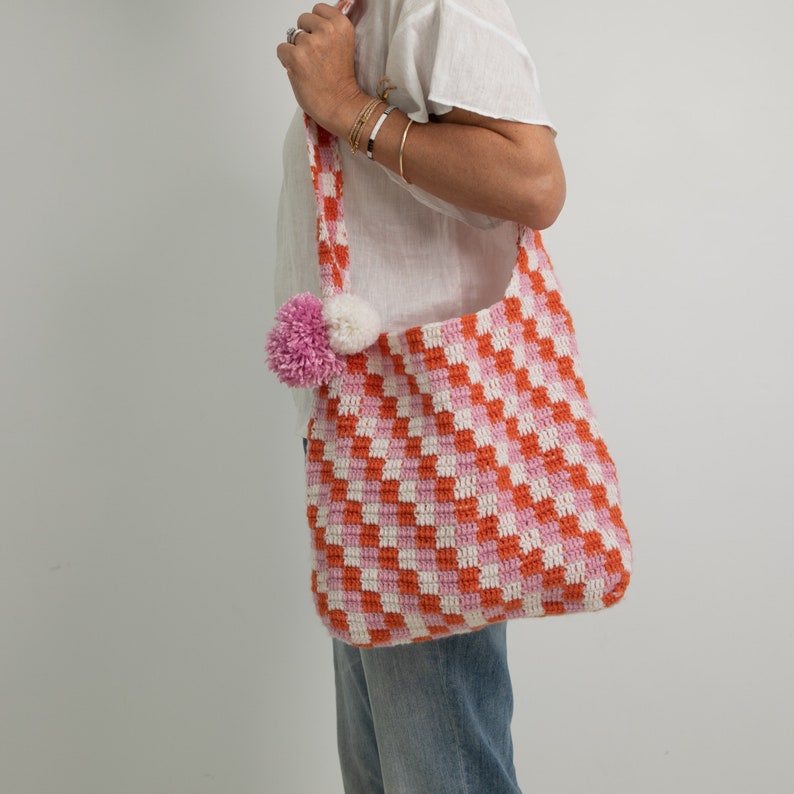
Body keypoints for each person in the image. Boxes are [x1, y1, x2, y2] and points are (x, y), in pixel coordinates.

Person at [275, 1, 565, 791]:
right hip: (366, 436)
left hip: (424, 441)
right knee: (390, 773)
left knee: (438, 774)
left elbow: (532, 183)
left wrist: (344, 107)